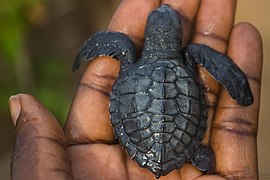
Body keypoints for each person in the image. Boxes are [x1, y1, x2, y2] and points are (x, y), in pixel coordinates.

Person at [9, 0, 262, 179]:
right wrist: (239, 87)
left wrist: (83, 55)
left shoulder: (127, 52)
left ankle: (181, 151)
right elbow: (220, 66)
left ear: (150, 33)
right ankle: (192, 152)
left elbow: (109, 42)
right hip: (186, 140)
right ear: (176, 34)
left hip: (134, 141)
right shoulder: (192, 54)